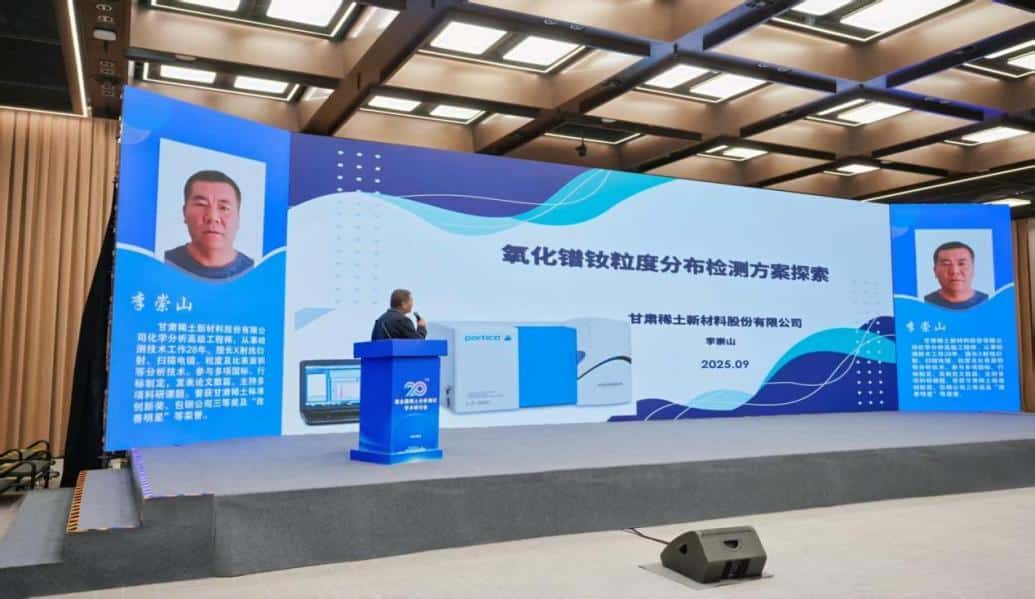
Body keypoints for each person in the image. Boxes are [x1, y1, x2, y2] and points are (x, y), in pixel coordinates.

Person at [165, 170, 254, 280]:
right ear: (185, 212)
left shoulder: (256, 273)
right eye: (201, 205)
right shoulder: (163, 264)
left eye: (224, 208)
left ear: (238, 218)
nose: (213, 217)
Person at [923, 241, 988, 310]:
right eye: (946, 264)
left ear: (973, 269)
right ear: (935, 271)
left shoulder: (990, 302)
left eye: (961, 264)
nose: (954, 271)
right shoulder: (923, 304)